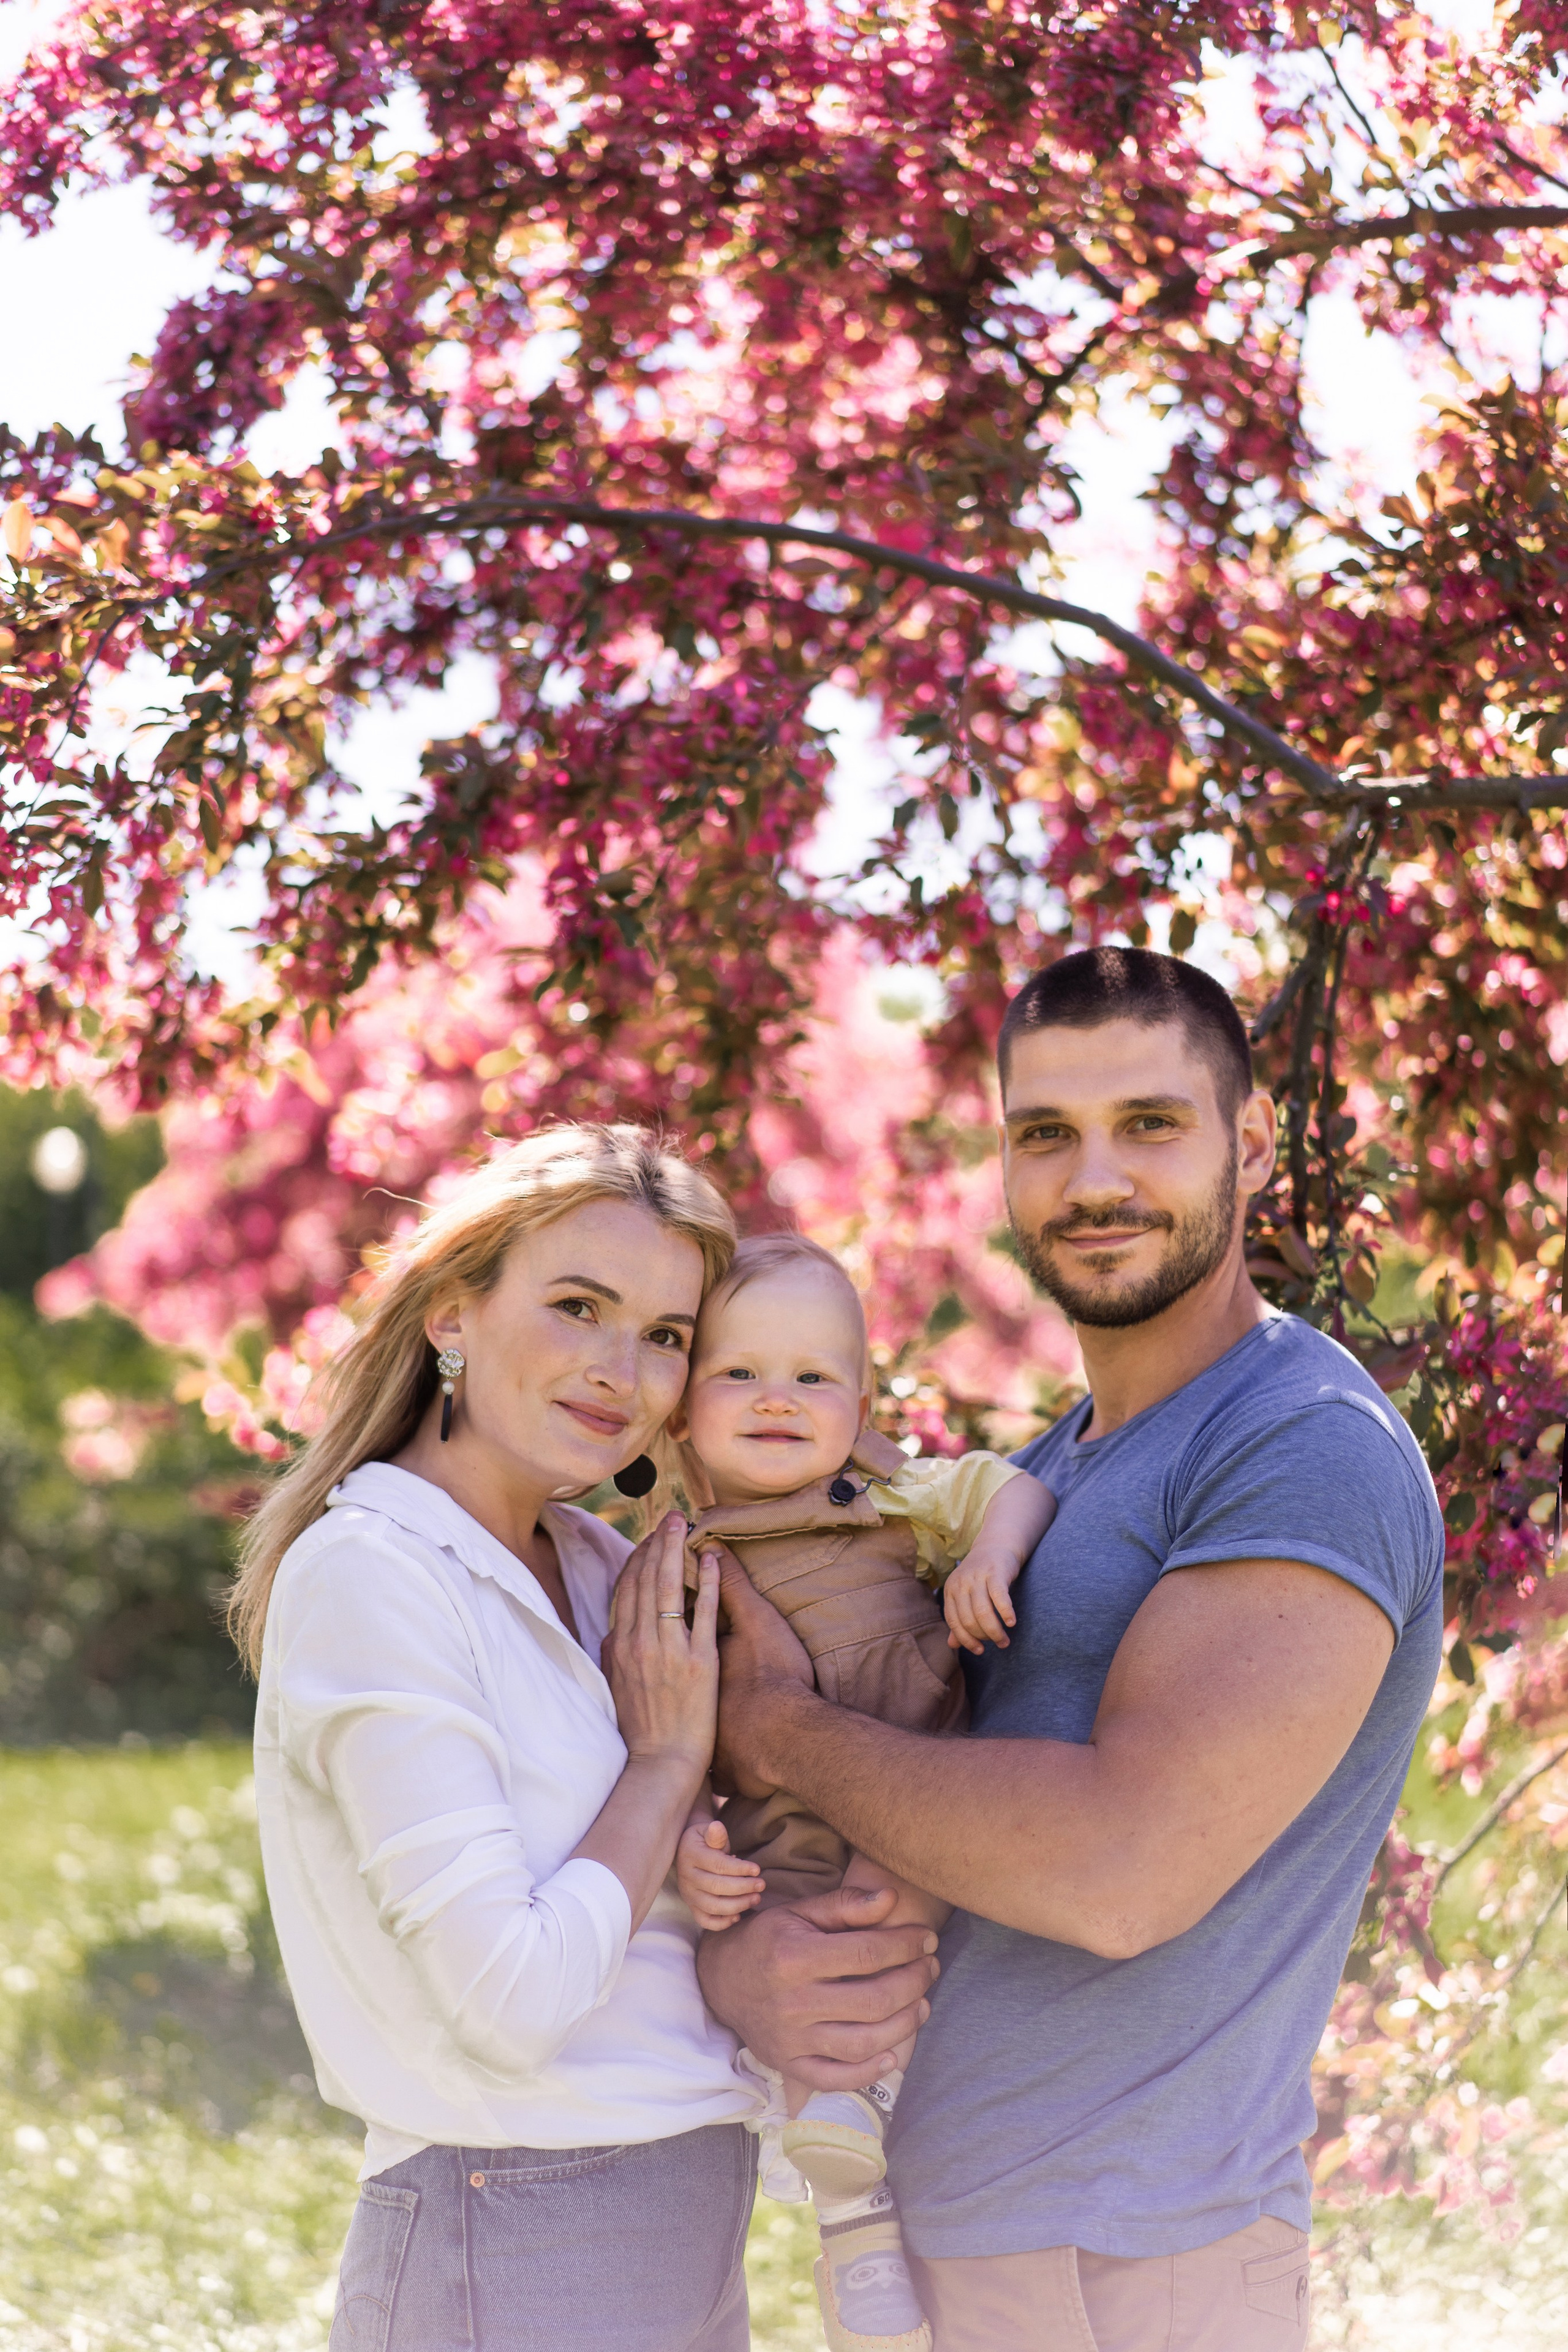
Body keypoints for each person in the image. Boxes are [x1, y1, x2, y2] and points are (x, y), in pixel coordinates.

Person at [697, 946, 1446, 2352]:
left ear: (1252, 1140)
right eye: (1046, 1134)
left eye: (1147, 1126)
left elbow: (1119, 1871)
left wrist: (771, 1727)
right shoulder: (1051, 1470)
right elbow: (930, 1820)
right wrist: (757, 1974)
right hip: (952, 2251)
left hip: (1130, 2265)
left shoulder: (1297, 1447)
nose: (1092, 1180)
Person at [233, 1126, 763, 2352]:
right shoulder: (374, 1572)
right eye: (577, 1306)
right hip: (515, 2230)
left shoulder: (600, 1569)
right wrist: (666, 1765)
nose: (617, 1371)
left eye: (666, 1336)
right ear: (451, 1315)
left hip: (679, 2208)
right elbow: (507, 1999)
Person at [669, 1232, 1055, 2351]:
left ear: (865, 1401)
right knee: (805, 1958)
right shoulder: (678, 1556)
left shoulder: (900, 1499)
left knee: (883, 1925)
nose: (777, 1399)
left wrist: (988, 1555)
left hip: (918, 1790)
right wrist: (691, 1835)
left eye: (814, 1377)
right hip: (778, 1830)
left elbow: (1014, 1488)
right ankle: (854, 2234)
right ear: (684, 1403)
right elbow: (656, 1732)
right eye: (739, 1373)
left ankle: (864, 2155)